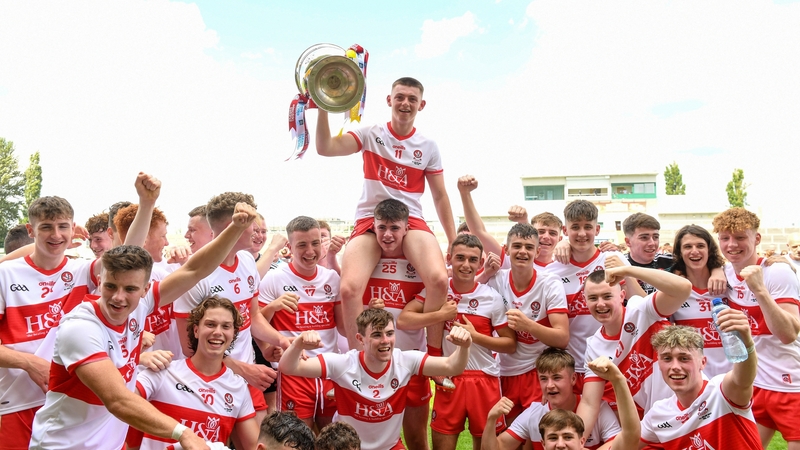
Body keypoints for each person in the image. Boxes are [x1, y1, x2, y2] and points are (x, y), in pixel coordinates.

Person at [29, 199, 260, 449]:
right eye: (110, 286)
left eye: (130, 289)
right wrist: (185, 433)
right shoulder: (80, 327)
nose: (118, 297)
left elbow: (196, 269)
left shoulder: (140, 305)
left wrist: (235, 228)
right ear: (98, 279)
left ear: (145, 289)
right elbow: (118, 400)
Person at [315, 77, 456, 356]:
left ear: (421, 105)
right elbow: (325, 148)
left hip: (411, 219)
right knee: (350, 288)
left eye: (412, 99)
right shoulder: (370, 133)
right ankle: (359, 357)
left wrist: (453, 239)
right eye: (400, 97)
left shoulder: (428, 145)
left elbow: (440, 196)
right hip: (371, 219)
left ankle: (434, 354)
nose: (405, 103)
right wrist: (322, 107)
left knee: (439, 280)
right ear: (389, 100)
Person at [280, 308, 473, 450]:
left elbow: (452, 366)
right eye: (377, 335)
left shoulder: (405, 360)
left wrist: (465, 346)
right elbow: (288, 367)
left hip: (390, 447)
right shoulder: (344, 364)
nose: (385, 341)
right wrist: (297, 344)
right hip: (349, 448)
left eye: (390, 334)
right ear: (360, 339)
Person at [173, 192, 287, 426]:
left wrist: (282, 341)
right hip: (209, 382)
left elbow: (253, 317)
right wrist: (243, 369)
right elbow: (188, 347)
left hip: (248, 378)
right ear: (232, 227)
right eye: (252, 224)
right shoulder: (195, 274)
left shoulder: (246, 262)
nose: (257, 230)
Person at [0, 196, 101, 448]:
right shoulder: (6, 275)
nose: (56, 234)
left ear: (72, 228)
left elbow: (128, 258)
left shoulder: (82, 271)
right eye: (46, 227)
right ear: (31, 230)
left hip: (67, 403)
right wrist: (28, 362)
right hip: (16, 403)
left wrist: (146, 204)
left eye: (62, 226)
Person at [400, 234, 517, 450]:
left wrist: (475, 336)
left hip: (483, 378)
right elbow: (403, 319)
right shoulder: (438, 292)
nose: (466, 265)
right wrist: (439, 315)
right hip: (448, 377)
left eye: (473, 260)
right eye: (460, 258)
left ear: (480, 263)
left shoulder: (491, 296)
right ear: (449, 258)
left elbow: (510, 344)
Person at [713, 207, 800, 448]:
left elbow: (788, 334)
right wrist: (715, 268)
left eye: (741, 237)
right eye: (725, 238)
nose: (732, 244)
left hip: (788, 383)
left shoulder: (777, 271)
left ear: (756, 239)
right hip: (752, 382)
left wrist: (759, 290)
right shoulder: (725, 272)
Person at [576, 260, 692, 440]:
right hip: (653, 426)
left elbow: (683, 288)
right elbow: (590, 402)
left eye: (607, 296)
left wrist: (627, 270)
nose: (600, 304)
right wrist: (577, 439)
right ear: (585, 301)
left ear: (622, 296)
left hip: (688, 411)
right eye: (593, 298)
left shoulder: (640, 309)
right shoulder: (594, 345)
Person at [133, 296, 259, 449]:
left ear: (233, 334)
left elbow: (254, 446)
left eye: (226, 326)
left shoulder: (238, 387)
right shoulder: (163, 371)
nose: (218, 332)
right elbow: (121, 400)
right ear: (196, 330)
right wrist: (135, 359)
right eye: (210, 324)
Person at [543, 200, 639, 395]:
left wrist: (626, 273)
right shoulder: (551, 271)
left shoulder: (613, 260)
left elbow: (641, 302)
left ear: (597, 229)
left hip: (614, 361)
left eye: (588, 227)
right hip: (570, 366)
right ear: (565, 230)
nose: (581, 233)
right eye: (575, 227)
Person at [364, 199, 437, 450]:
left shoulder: (421, 265)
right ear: (372, 227)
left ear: (407, 228)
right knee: (376, 439)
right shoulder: (363, 263)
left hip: (412, 363)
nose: (387, 234)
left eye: (394, 228)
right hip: (374, 366)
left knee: (417, 438)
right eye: (381, 227)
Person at [258, 216, 344, 431]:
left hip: (328, 371)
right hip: (293, 373)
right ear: (289, 246)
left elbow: (343, 326)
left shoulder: (332, 278)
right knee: (296, 439)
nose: (310, 251)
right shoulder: (275, 279)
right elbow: (256, 323)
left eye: (315, 243)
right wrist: (273, 308)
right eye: (302, 245)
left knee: (333, 439)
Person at [640, 324, 760, 448]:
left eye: (684, 358)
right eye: (667, 358)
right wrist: (619, 381)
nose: (675, 366)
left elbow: (742, 380)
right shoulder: (658, 414)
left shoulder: (721, 391)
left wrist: (747, 343)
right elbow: (624, 444)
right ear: (658, 364)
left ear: (702, 363)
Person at [482, 347, 623, 450]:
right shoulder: (534, 412)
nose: (549, 385)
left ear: (573, 378)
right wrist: (491, 419)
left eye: (557, 378)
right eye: (543, 379)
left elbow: (620, 443)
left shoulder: (598, 408)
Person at [668, 225, 731, 378]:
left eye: (700, 246)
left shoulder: (729, 280)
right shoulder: (673, 290)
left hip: (733, 377)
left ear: (709, 249)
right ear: (679, 252)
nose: (694, 251)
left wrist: (780, 262)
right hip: (697, 379)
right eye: (687, 246)